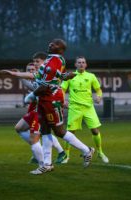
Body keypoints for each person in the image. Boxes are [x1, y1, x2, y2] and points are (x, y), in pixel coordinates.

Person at [27, 39, 95, 174]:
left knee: (58, 131)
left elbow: (46, 84)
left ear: (61, 50)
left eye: (56, 44)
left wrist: (31, 95)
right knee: (45, 129)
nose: (51, 44)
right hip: (43, 98)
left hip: (51, 99)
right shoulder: (50, 59)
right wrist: (64, 76)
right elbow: (56, 75)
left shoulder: (56, 60)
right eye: (51, 42)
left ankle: (87, 150)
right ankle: (47, 164)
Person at [61, 56, 109, 163]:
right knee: (70, 133)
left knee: (95, 130)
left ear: (86, 65)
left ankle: (100, 153)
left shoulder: (91, 76)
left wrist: (99, 96)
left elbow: (98, 89)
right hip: (74, 108)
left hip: (88, 107)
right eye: (79, 62)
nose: (81, 64)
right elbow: (62, 89)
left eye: (83, 62)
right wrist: (63, 100)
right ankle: (66, 156)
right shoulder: (70, 76)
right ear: (75, 65)